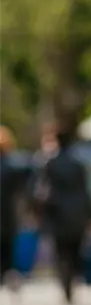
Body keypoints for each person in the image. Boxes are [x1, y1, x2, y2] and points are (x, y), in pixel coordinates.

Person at [32, 126, 91, 305]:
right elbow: (87, 191)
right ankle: (72, 280)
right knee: (76, 249)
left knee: (61, 251)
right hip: (78, 213)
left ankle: (65, 282)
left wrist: (38, 212)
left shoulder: (49, 164)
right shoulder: (78, 164)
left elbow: (40, 191)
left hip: (57, 213)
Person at [0, 125, 29, 295]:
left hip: (6, 214)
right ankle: (9, 274)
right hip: (7, 214)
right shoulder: (13, 166)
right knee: (8, 248)